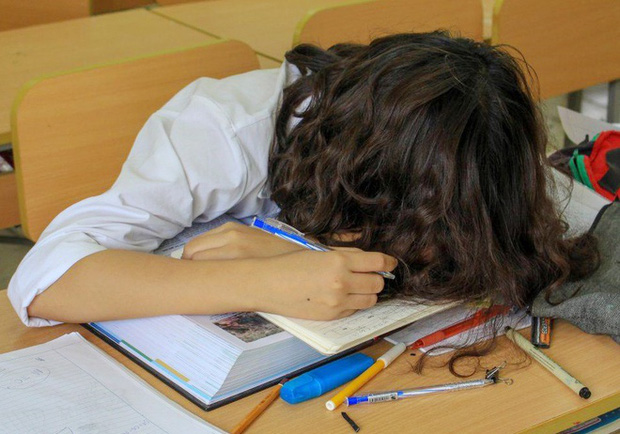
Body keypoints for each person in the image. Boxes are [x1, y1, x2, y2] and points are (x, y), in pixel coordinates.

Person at [9, 31, 599, 328]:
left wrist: (300, 251)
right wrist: (264, 280)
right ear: (360, 178)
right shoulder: (223, 129)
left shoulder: (463, 135)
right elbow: (43, 281)